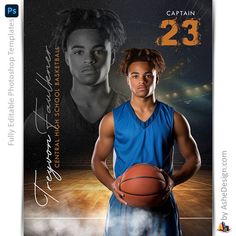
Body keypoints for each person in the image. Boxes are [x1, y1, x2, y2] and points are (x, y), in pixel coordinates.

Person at [91, 48, 201, 235]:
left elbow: (194, 160)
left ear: (157, 78)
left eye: (148, 75)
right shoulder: (111, 120)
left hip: (162, 204)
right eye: (135, 76)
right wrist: (112, 184)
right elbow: (97, 160)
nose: (141, 81)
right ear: (128, 79)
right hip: (123, 203)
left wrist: (172, 181)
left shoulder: (174, 118)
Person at [24, 8, 127, 168]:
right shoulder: (42, 120)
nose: (88, 59)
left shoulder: (135, 113)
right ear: (66, 57)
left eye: (98, 51)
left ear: (112, 56)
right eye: (79, 52)